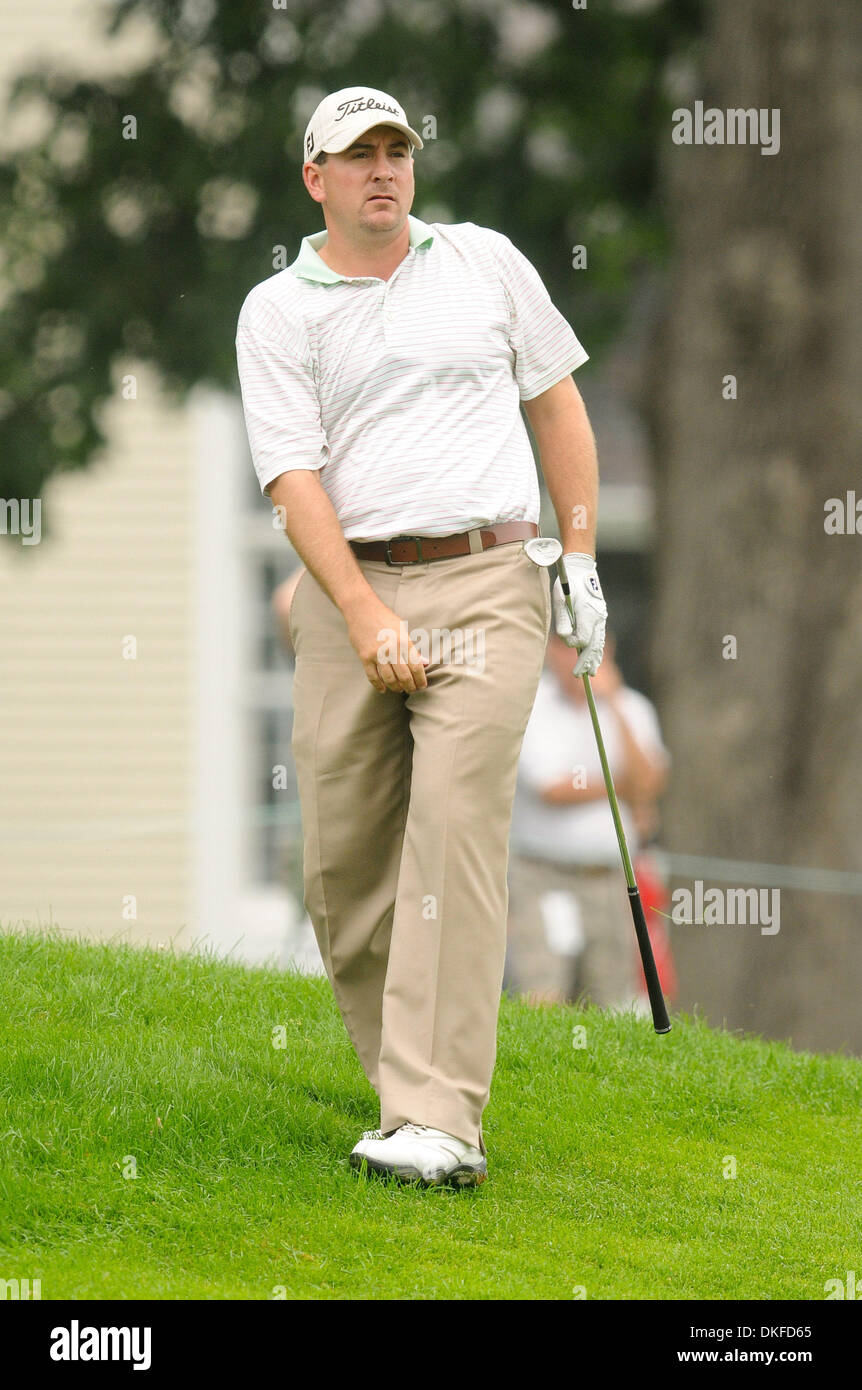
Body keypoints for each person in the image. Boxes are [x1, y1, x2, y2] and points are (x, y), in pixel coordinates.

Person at [235, 85, 607, 1187]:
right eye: (357, 156)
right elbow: (291, 479)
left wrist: (577, 561)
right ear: (316, 180)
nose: (382, 170)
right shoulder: (279, 310)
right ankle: (407, 1093)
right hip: (352, 591)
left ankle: (438, 1118)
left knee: (452, 829)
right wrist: (360, 613)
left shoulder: (485, 261)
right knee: (343, 871)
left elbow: (557, 406)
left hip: (491, 574)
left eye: (396, 150)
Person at [508, 631, 670, 1009]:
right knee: (544, 989)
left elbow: (650, 782)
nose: (575, 658)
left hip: (611, 877)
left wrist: (612, 703)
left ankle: (599, 1069)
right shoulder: (533, 705)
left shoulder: (632, 707)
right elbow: (551, 789)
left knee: (612, 995)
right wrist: (625, 788)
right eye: (566, 647)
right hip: (543, 876)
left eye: (586, 647)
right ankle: (541, 1066)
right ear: (549, 652)